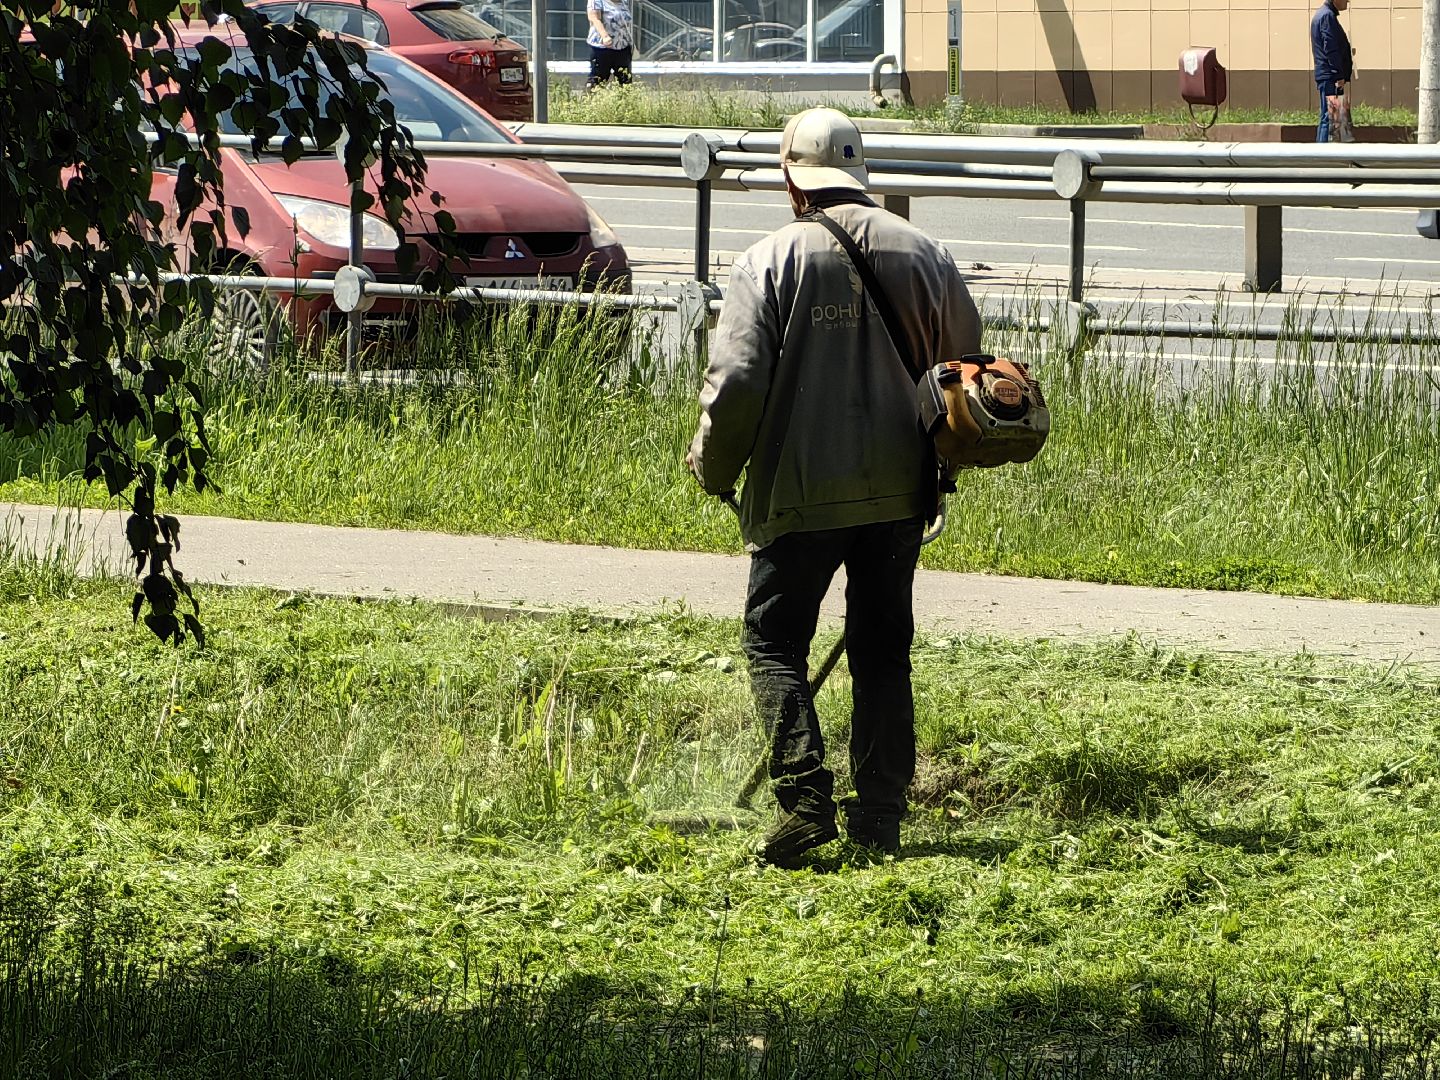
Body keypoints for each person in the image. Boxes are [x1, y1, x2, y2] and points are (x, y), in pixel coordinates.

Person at [686, 108, 982, 867]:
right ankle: (879, 820)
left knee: (774, 642)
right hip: (899, 499)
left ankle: (804, 797)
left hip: (799, 493)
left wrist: (714, 469)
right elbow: (966, 370)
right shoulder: (928, 254)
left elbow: (737, 384)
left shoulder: (769, 260)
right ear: (858, 171)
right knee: (883, 652)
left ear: (793, 179)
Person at [1311, 0, 1354, 142]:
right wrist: (1338, 74)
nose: (1348, 1)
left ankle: (1323, 152)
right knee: (1329, 117)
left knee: (1329, 116)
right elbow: (1330, 47)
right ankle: (1323, 155)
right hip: (1331, 76)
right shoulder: (1327, 16)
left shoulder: (1324, 15)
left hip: (1329, 75)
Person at [585, 0, 633, 89]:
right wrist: (605, 36)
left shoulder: (624, 2)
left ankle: (624, 101)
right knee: (598, 81)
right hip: (602, 48)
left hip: (622, 47)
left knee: (625, 81)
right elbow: (594, 18)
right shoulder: (596, 1)